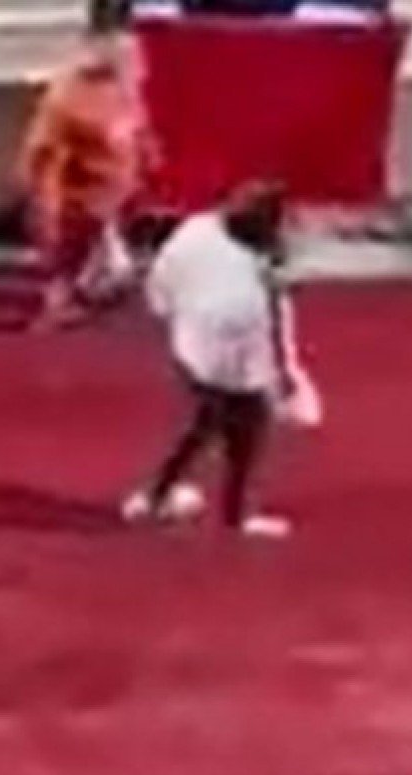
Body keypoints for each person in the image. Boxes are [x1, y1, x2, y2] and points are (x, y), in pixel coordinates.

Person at [121, 181, 318, 539]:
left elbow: (160, 289)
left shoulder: (195, 231)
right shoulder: (255, 269)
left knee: (204, 424)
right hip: (231, 359)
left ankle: (155, 496)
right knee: (246, 432)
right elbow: (268, 326)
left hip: (191, 349)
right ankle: (237, 514)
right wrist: (285, 377)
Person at [18, 27, 152, 330]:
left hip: (114, 191)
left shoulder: (125, 89)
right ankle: (60, 300)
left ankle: (89, 292)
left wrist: (145, 156)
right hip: (77, 192)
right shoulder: (69, 95)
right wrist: (44, 193)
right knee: (71, 252)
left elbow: (135, 130)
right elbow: (42, 150)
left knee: (110, 261)